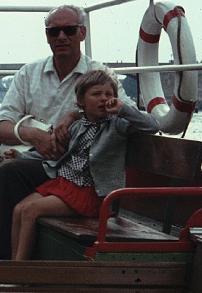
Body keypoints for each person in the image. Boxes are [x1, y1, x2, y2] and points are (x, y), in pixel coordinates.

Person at [0, 4, 134, 260]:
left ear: (82, 33)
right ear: (47, 37)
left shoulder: (99, 75)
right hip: (35, 160)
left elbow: (125, 109)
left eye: (68, 30)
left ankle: (3, 262)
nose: (61, 37)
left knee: (9, 170)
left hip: (68, 170)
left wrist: (75, 115)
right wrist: (34, 136)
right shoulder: (29, 73)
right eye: (53, 32)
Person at [11, 68, 160, 260]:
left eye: (109, 94)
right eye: (96, 94)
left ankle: (19, 271)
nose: (103, 99)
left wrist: (122, 108)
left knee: (31, 211)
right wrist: (20, 156)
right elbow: (58, 156)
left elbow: (153, 126)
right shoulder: (77, 126)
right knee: (18, 210)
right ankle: (12, 266)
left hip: (90, 193)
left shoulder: (117, 125)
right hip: (64, 185)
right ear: (81, 101)